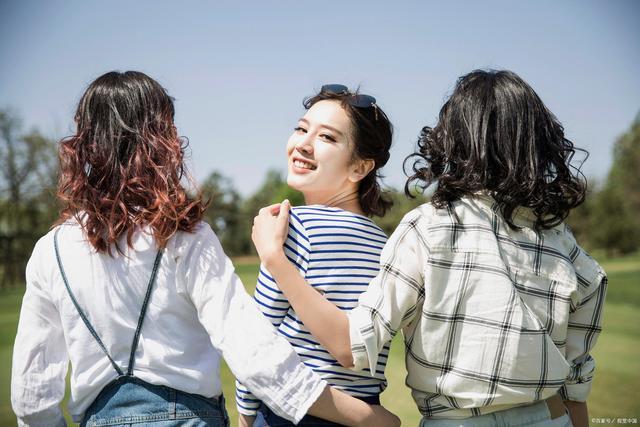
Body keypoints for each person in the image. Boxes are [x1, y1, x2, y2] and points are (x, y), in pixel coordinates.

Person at [10, 71, 400, 427]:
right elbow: (250, 346)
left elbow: (32, 396)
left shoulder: (51, 250)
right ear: (161, 141)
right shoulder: (182, 233)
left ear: (84, 143)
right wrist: (367, 416)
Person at [251, 70, 607, 427]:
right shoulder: (565, 245)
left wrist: (274, 258)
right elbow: (575, 386)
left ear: (454, 139)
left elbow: (353, 346)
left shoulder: (428, 228)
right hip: (551, 416)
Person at [236, 85, 396, 427]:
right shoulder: (387, 245)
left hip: (290, 413)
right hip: (363, 408)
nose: (303, 144)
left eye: (327, 137)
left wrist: (245, 414)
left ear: (359, 167)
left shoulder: (290, 228)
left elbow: (257, 337)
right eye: (301, 128)